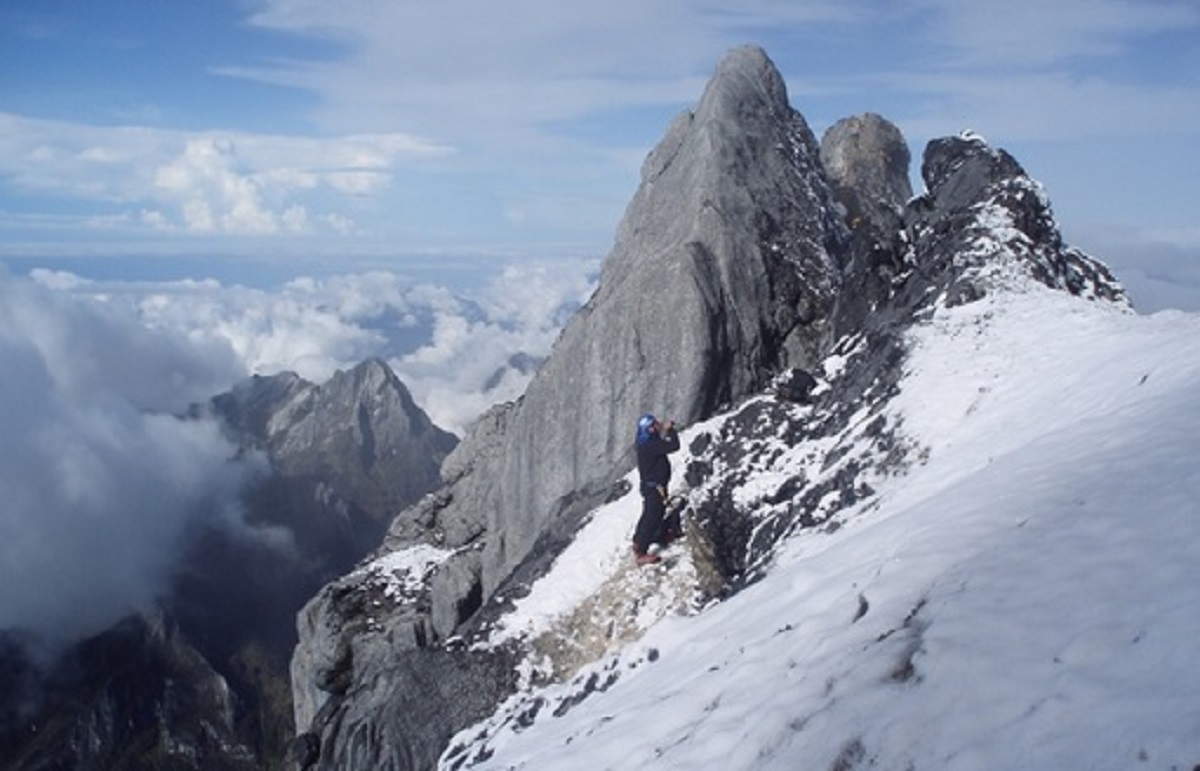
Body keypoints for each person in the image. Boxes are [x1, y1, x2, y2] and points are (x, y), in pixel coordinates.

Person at [632, 413, 681, 565]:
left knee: (652, 513)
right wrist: (671, 431)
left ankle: (640, 540)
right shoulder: (650, 444)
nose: (658, 425)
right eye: (654, 424)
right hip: (654, 487)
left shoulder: (647, 441)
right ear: (649, 429)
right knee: (651, 516)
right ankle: (641, 552)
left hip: (653, 485)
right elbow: (674, 446)